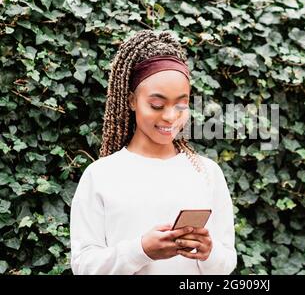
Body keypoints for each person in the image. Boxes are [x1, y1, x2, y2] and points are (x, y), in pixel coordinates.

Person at [69, 29, 237, 275]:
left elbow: (226, 262)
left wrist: (209, 253)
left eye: (181, 104)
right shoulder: (101, 175)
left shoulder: (206, 172)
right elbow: (83, 267)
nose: (170, 117)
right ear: (131, 101)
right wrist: (141, 250)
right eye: (156, 105)